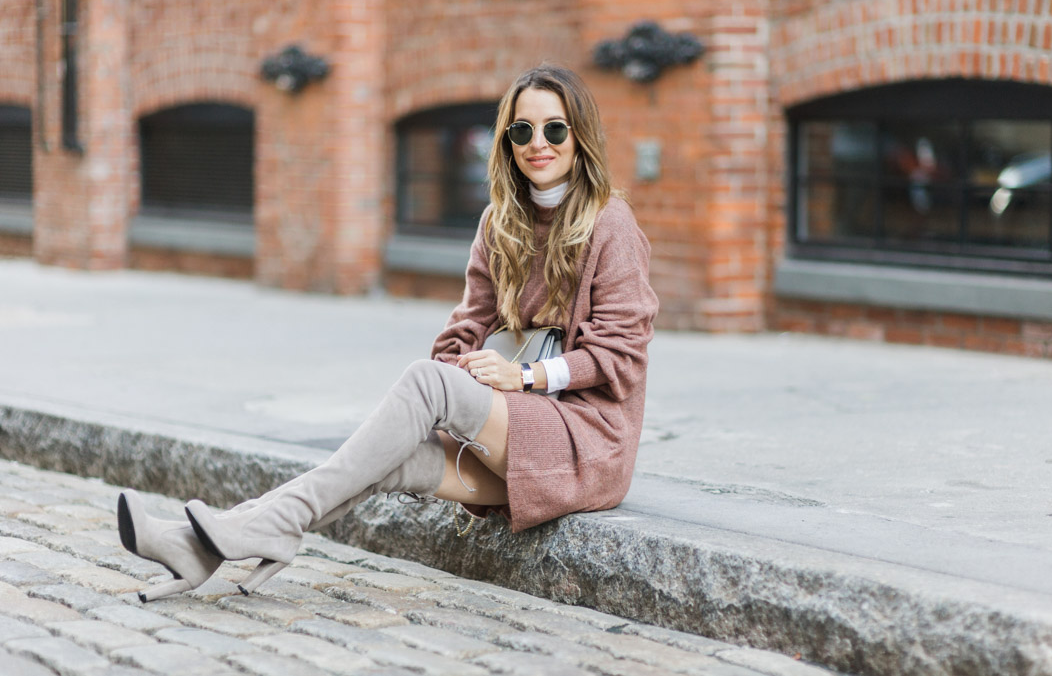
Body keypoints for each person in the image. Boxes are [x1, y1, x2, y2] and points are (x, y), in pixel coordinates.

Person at [116, 64, 659, 602]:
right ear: (507, 140)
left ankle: (263, 528)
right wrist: (464, 371)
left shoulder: (610, 222)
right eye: (522, 130)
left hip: (586, 441)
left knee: (427, 384)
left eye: (554, 128)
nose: (537, 143)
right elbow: (466, 327)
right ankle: (198, 546)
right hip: (519, 432)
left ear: (578, 136)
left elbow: (621, 354)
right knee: (390, 457)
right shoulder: (501, 223)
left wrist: (523, 377)